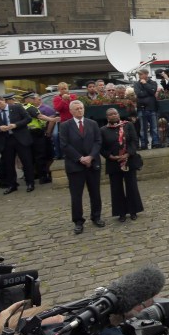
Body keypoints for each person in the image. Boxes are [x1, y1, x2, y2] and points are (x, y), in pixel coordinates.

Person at [59, 100, 104, 235]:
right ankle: (78, 221)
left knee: (95, 192)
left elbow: (98, 141)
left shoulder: (92, 124)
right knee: (76, 195)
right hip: (75, 165)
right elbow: (64, 145)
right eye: (77, 109)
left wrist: (91, 156)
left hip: (92, 163)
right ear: (71, 111)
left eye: (81, 108)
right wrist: (80, 158)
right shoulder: (65, 126)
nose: (80, 110)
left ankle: (96, 216)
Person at [100, 107, 144, 222]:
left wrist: (128, 154)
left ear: (119, 115)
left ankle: (133, 211)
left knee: (131, 186)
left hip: (129, 160)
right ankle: (121, 213)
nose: (114, 115)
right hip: (113, 162)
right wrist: (110, 156)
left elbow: (134, 141)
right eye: (111, 114)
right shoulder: (103, 130)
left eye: (115, 113)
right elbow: (101, 147)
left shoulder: (128, 125)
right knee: (116, 188)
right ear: (107, 117)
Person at [0, 93, 36, 194]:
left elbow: (28, 119)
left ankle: (30, 183)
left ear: (3, 100)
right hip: (6, 140)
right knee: (9, 164)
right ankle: (12, 184)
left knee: (26, 161)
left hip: (20, 138)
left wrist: (15, 125)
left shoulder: (17, 108)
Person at [134, 69, 161, 149]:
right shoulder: (136, 84)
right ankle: (144, 143)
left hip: (152, 108)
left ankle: (155, 142)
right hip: (141, 108)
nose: (140, 76)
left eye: (141, 74)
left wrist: (145, 84)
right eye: (139, 75)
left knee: (154, 127)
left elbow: (153, 91)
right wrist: (148, 92)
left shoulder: (153, 83)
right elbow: (139, 94)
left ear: (146, 74)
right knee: (143, 128)